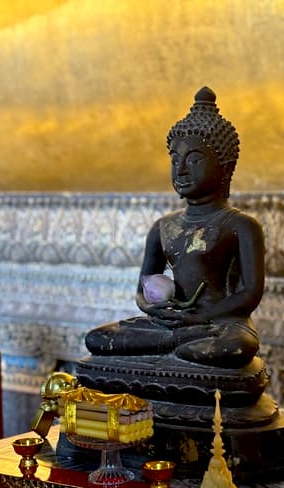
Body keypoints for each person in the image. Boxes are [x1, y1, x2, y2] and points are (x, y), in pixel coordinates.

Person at [84, 86, 265, 369]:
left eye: (194, 160)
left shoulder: (240, 225)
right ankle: (176, 342)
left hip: (219, 325)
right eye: (175, 160)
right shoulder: (163, 226)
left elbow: (250, 294)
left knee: (234, 348)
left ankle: (175, 343)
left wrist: (200, 317)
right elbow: (142, 290)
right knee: (98, 339)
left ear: (226, 167)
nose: (181, 170)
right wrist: (155, 308)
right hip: (169, 325)